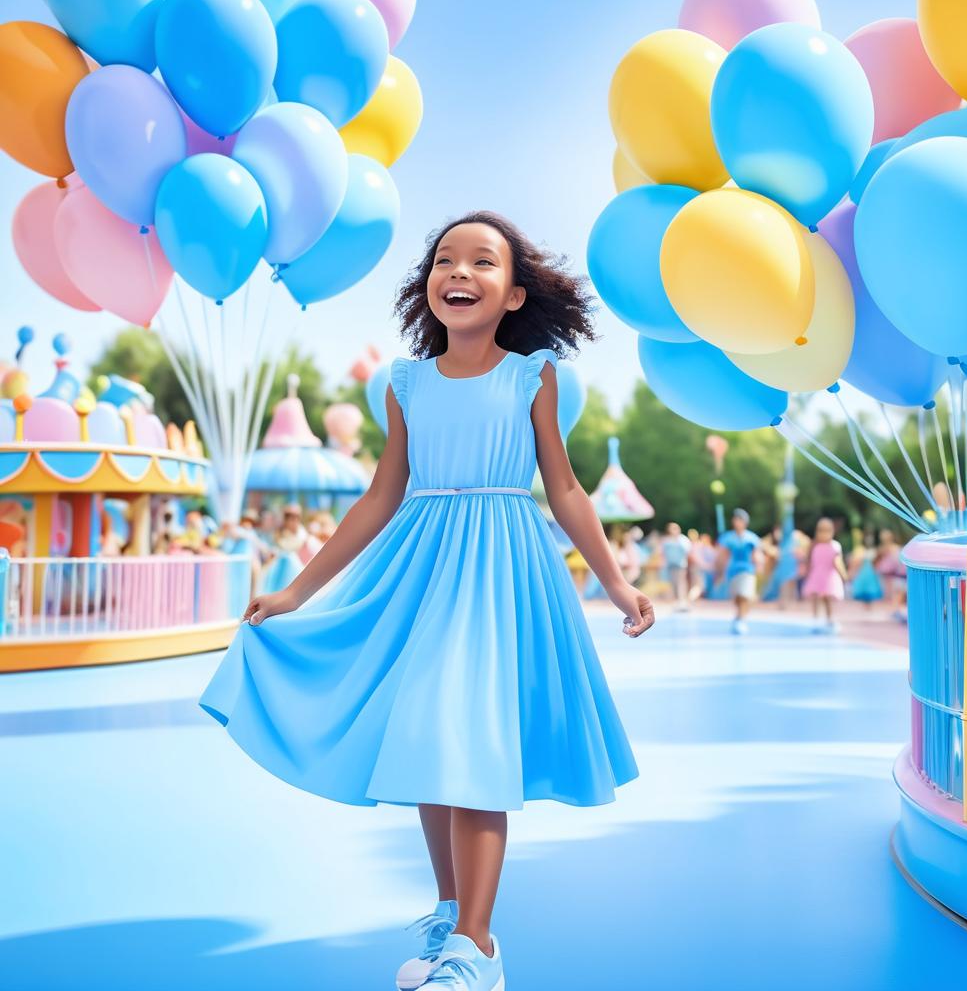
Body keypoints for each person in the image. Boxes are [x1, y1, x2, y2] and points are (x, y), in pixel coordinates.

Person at [198, 212, 654, 991]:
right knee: (428, 743)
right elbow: (380, 497)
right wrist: (297, 592)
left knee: (470, 743)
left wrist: (616, 581)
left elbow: (565, 486)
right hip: (421, 568)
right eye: (446, 260)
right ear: (428, 285)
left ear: (513, 293)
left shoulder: (531, 375)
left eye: (483, 262)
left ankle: (479, 950)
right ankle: (451, 915)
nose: (460, 273)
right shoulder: (404, 382)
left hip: (502, 569)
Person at [717, 508, 762, 635]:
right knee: (737, 597)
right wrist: (720, 572)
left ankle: (741, 620)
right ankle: (739, 616)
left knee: (745, 595)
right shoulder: (728, 538)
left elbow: (756, 555)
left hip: (747, 570)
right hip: (733, 571)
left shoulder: (751, 538)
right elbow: (723, 555)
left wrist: (758, 567)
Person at [802, 517, 848, 634]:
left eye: (827, 530)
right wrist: (807, 572)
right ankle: (815, 619)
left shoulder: (835, 546)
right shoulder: (813, 546)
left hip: (828, 577)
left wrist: (843, 574)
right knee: (816, 598)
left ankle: (829, 619)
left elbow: (837, 562)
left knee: (826, 599)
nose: (824, 533)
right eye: (821, 530)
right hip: (817, 575)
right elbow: (809, 561)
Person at [662, 522, 692, 611]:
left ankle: (682, 602)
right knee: (673, 584)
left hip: (680, 565)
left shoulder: (682, 539)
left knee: (680, 583)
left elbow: (687, 550)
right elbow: (664, 553)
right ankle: (676, 602)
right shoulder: (667, 540)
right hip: (670, 565)